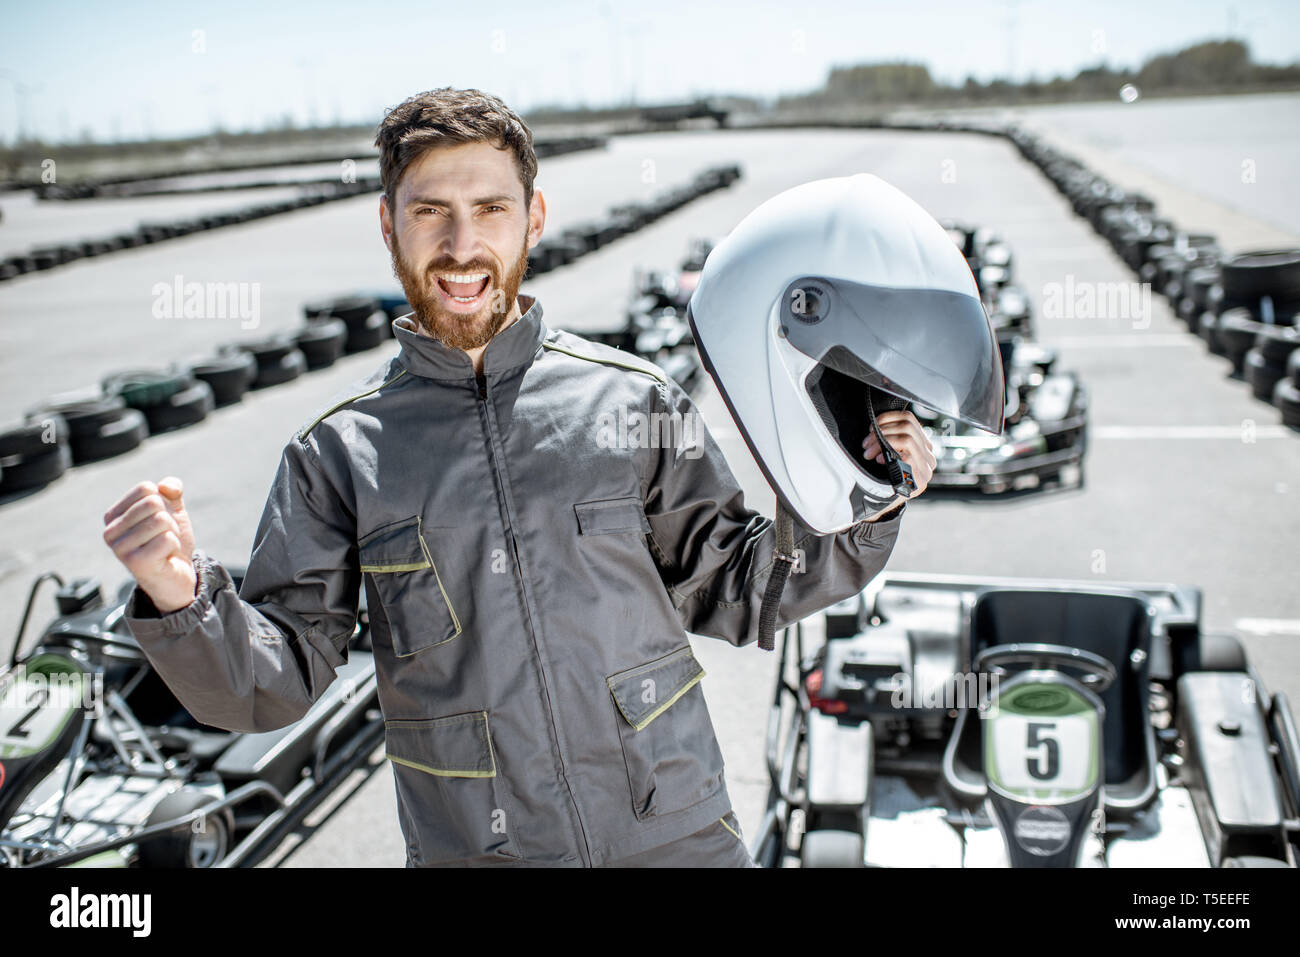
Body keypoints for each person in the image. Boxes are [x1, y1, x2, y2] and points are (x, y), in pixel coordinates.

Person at [101, 87, 935, 867]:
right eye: (431, 213)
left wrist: (866, 499)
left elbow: (740, 586)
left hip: (676, 835)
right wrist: (183, 600)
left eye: (490, 210)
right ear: (387, 226)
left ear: (533, 218)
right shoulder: (337, 456)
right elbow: (276, 686)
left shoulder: (631, 399)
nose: (462, 248)